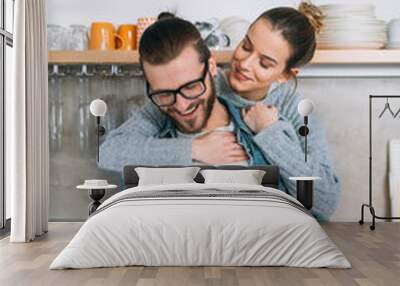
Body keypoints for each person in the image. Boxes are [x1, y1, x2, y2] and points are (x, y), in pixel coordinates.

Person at [99, 2, 340, 221]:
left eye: (264, 63)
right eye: (246, 46)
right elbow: (110, 151)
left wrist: (271, 132)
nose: (244, 64)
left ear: (286, 75)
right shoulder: (189, 87)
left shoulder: (293, 110)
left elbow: (325, 200)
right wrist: (196, 149)